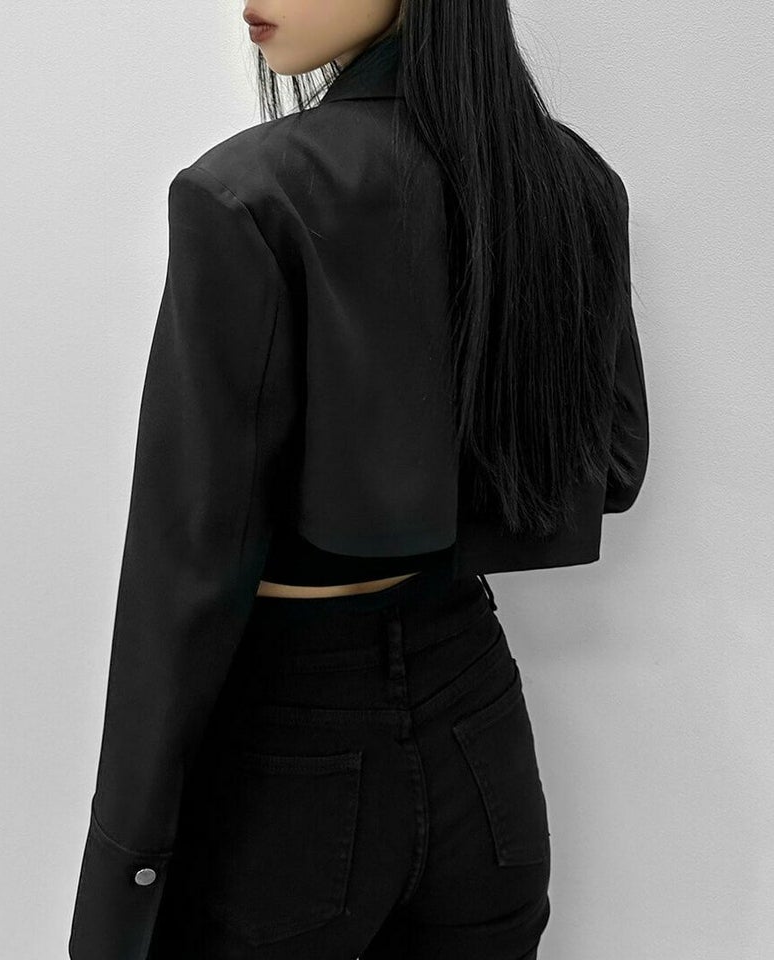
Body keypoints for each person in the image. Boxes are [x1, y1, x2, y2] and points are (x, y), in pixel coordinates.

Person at [68, 3, 649, 959]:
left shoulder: (245, 195)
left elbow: (183, 578)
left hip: (294, 756)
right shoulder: (568, 179)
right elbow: (613, 470)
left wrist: (116, 893)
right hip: (482, 735)